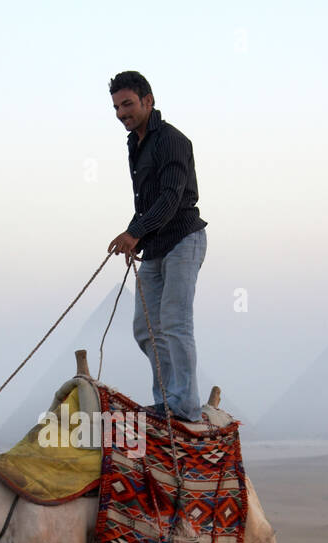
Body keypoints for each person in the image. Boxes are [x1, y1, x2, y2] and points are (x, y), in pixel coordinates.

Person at [106, 71, 207, 423]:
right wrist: (139, 236)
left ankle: (185, 407)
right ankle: (166, 399)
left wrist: (135, 233)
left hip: (183, 238)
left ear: (149, 100)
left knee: (175, 323)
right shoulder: (135, 143)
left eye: (128, 104)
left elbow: (170, 196)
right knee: (145, 327)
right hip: (156, 245)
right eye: (117, 107)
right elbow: (144, 202)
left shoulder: (173, 141)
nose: (121, 113)